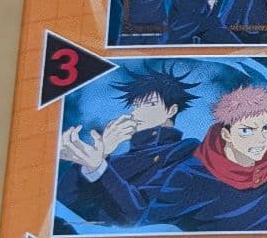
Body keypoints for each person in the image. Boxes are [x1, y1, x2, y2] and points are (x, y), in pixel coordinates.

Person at [142, 85, 267, 233]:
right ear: (227, 135)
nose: (260, 140)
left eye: (266, 128)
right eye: (247, 131)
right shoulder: (189, 176)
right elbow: (153, 230)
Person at [56, 65, 201, 229]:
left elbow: (141, 215)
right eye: (136, 105)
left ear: (171, 110)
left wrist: (99, 166)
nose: (136, 112)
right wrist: (100, 155)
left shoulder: (186, 150)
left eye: (150, 104)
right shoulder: (116, 161)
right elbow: (64, 201)